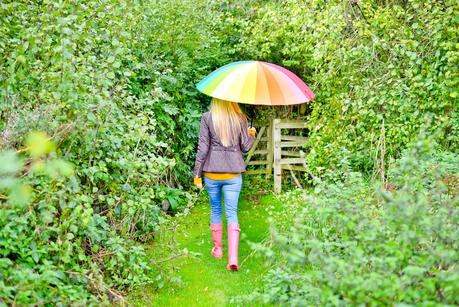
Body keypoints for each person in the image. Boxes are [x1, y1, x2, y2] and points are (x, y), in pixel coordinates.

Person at [193, 97, 256, 271]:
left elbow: (203, 148)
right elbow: (245, 147)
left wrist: (197, 175)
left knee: (216, 209)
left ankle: (218, 249)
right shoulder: (240, 118)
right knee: (231, 212)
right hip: (233, 174)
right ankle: (233, 259)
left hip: (212, 173)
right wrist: (251, 134)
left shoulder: (207, 117)